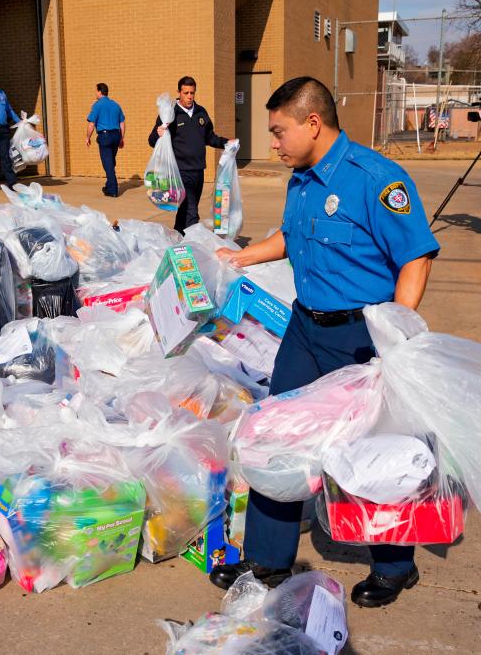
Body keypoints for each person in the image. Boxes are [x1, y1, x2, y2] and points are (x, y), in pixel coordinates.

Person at [210, 77, 439, 609]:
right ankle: (268, 560)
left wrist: (397, 333)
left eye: (278, 132)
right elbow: (290, 236)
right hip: (305, 330)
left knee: (373, 453)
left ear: (312, 123)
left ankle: (395, 565)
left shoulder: (376, 179)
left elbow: (415, 256)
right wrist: (239, 258)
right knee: (277, 440)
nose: (274, 143)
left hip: (362, 338)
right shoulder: (302, 178)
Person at [148, 76, 234, 233]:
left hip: (198, 170)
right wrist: (158, 132)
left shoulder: (201, 112)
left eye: (192, 93)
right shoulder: (170, 113)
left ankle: (177, 237)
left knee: (185, 210)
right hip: (180, 171)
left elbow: (210, 137)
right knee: (191, 212)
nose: (189, 96)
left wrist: (227, 142)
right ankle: (194, 245)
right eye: (186, 92)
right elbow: (152, 140)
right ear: (179, 92)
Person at [86, 83, 126, 197]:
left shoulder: (97, 105)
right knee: (111, 162)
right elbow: (122, 122)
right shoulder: (116, 105)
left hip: (105, 136)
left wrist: (87, 137)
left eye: (96, 91)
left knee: (107, 163)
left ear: (99, 91)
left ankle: (112, 190)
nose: (95, 93)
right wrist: (121, 138)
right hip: (116, 135)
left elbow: (91, 123)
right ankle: (109, 185)